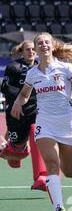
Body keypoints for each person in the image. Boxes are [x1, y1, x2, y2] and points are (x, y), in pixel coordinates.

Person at [11, 33, 72, 211]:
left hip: (66, 123)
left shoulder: (65, 67)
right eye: (39, 43)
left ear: (52, 46)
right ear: (36, 49)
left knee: (70, 171)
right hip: (45, 123)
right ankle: (59, 208)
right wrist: (18, 103)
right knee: (51, 166)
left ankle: (59, 188)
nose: (43, 45)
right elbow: (24, 94)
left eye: (46, 42)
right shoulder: (32, 73)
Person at [0, 40, 47, 191]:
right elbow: (5, 88)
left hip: (36, 109)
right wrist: (20, 100)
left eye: (34, 49)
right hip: (16, 111)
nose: (31, 52)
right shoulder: (13, 67)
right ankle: (9, 152)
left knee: (37, 135)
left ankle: (40, 178)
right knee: (19, 150)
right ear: (22, 51)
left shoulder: (42, 66)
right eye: (28, 49)